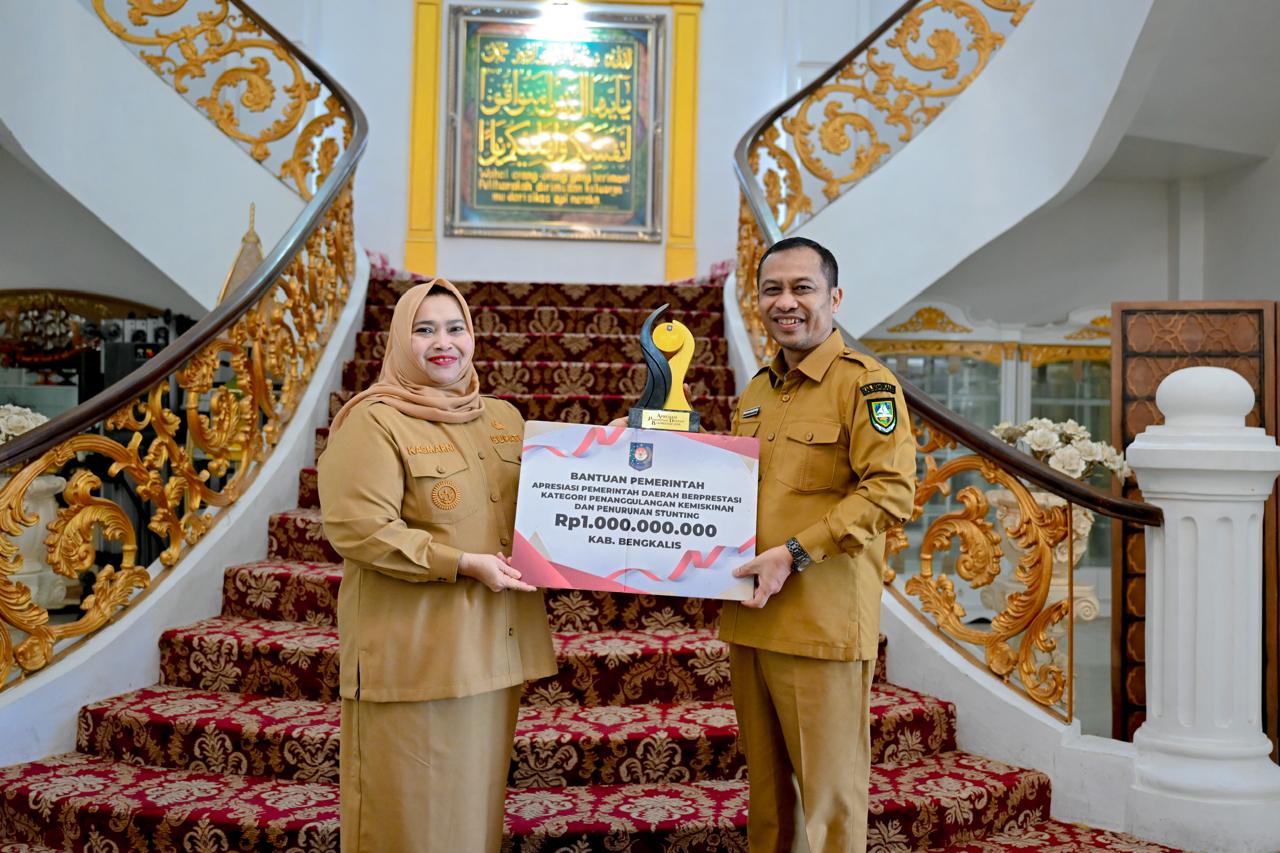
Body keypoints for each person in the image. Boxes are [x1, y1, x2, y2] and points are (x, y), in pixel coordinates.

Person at [317, 279, 556, 852]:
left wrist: (608, 458)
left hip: (492, 651)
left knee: (470, 821)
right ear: (402, 341)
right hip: (414, 657)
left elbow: (553, 498)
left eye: (455, 328)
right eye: (424, 330)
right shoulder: (375, 421)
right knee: (409, 823)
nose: (443, 342)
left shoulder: (502, 417)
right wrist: (461, 562)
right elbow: (359, 529)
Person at [722, 237, 916, 852]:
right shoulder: (757, 391)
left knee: (828, 806)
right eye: (772, 290)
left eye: (802, 288)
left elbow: (890, 492)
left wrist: (794, 554)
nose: (786, 302)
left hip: (820, 622)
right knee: (769, 802)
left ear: (834, 298)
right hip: (752, 616)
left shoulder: (865, 385)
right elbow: (726, 487)